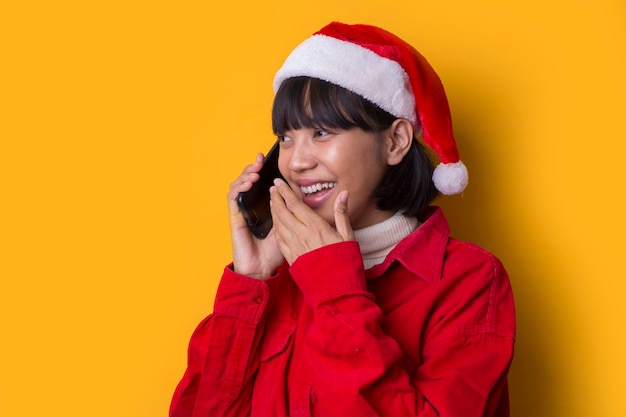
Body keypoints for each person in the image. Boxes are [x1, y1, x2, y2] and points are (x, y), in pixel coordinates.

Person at [170, 22, 515, 417]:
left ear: (395, 141)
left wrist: (333, 285)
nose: (296, 161)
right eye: (285, 137)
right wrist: (249, 284)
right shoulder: (279, 281)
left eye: (321, 132)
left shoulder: (469, 281)